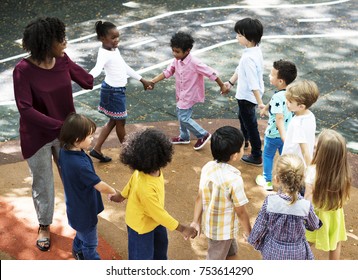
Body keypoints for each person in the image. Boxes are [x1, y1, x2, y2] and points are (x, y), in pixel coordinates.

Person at [13, 17, 94, 252]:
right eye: (60, 39)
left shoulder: (62, 59)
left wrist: (102, 67)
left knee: (74, 176)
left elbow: (87, 81)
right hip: (37, 136)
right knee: (44, 183)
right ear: (47, 43)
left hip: (64, 134)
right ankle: (44, 225)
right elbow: (26, 109)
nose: (65, 42)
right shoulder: (23, 71)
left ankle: (80, 220)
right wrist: (61, 126)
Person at [109, 128, 197, 260]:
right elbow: (158, 214)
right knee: (142, 259)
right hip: (140, 227)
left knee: (160, 253)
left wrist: (121, 196)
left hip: (155, 223)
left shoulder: (145, 171)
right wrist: (183, 228)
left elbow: (130, 184)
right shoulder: (145, 188)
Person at [151, 31, 229, 151]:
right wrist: (153, 81)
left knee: (183, 117)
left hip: (189, 94)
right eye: (173, 51)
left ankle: (203, 134)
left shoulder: (195, 62)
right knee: (180, 113)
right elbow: (168, 72)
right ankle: (184, 136)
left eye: (177, 52)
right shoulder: (176, 60)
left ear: (187, 50)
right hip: (181, 93)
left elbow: (211, 73)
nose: (174, 54)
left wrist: (222, 85)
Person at [89, 21, 153, 162]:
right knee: (120, 122)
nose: (116, 40)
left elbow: (124, 67)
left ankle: (97, 149)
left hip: (116, 91)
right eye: (113, 38)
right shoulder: (104, 53)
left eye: (117, 37)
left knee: (114, 121)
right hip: (113, 92)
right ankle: (129, 152)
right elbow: (97, 69)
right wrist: (86, 78)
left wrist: (142, 80)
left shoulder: (114, 50)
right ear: (102, 38)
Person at [59, 113, 116, 260]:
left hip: (75, 205)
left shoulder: (65, 151)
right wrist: (113, 191)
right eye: (90, 137)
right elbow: (101, 186)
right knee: (90, 243)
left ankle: (77, 250)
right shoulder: (80, 166)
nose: (93, 139)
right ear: (78, 140)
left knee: (81, 233)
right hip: (84, 210)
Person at [191, 126, 252, 260]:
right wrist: (250, 232)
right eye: (242, 148)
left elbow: (200, 197)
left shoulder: (208, 167)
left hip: (216, 227)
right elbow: (241, 211)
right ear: (235, 155)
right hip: (222, 232)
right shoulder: (234, 180)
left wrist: (196, 221)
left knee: (231, 254)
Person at [248, 154, 322, 260]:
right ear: (302, 179)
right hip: (297, 253)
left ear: (277, 179)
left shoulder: (270, 202)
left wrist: (252, 239)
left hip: (272, 250)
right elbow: (314, 224)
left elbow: (260, 226)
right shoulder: (305, 206)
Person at [304, 129, 351, 260]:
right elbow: (344, 198)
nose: (314, 149)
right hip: (334, 215)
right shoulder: (343, 174)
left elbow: (307, 198)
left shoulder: (312, 172)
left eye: (316, 147)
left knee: (306, 241)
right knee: (335, 242)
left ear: (322, 154)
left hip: (315, 215)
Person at [224, 18, 265, 166]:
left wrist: (259, 102)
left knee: (250, 124)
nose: (237, 37)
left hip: (247, 96)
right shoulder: (254, 51)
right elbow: (239, 70)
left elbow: (253, 82)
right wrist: (230, 82)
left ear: (249, 38)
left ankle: (256, 155)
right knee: (243, 118)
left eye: (240, 35)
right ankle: (245, 140)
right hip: (249, 95)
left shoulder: (248, 58)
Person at [255, 60, 297, 190]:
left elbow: (279, 117)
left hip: (274, 134)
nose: (269, 76)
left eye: (272, 75)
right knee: (284, 159)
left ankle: (267, 181)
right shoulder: (291, 92)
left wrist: (281, 135)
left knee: (268, 156)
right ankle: (285, 182)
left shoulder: (277, 97)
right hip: (287, 134)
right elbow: (274, 102)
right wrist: (265, 108)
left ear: (280, 81)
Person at [281, 79, 319, 167]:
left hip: (292, 164)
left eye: (290, 102)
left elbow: (304, 151)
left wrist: (310, 170)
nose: (287, 102)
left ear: (301, 106)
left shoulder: (298, 123)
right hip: (298, 163)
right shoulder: (310, 115)